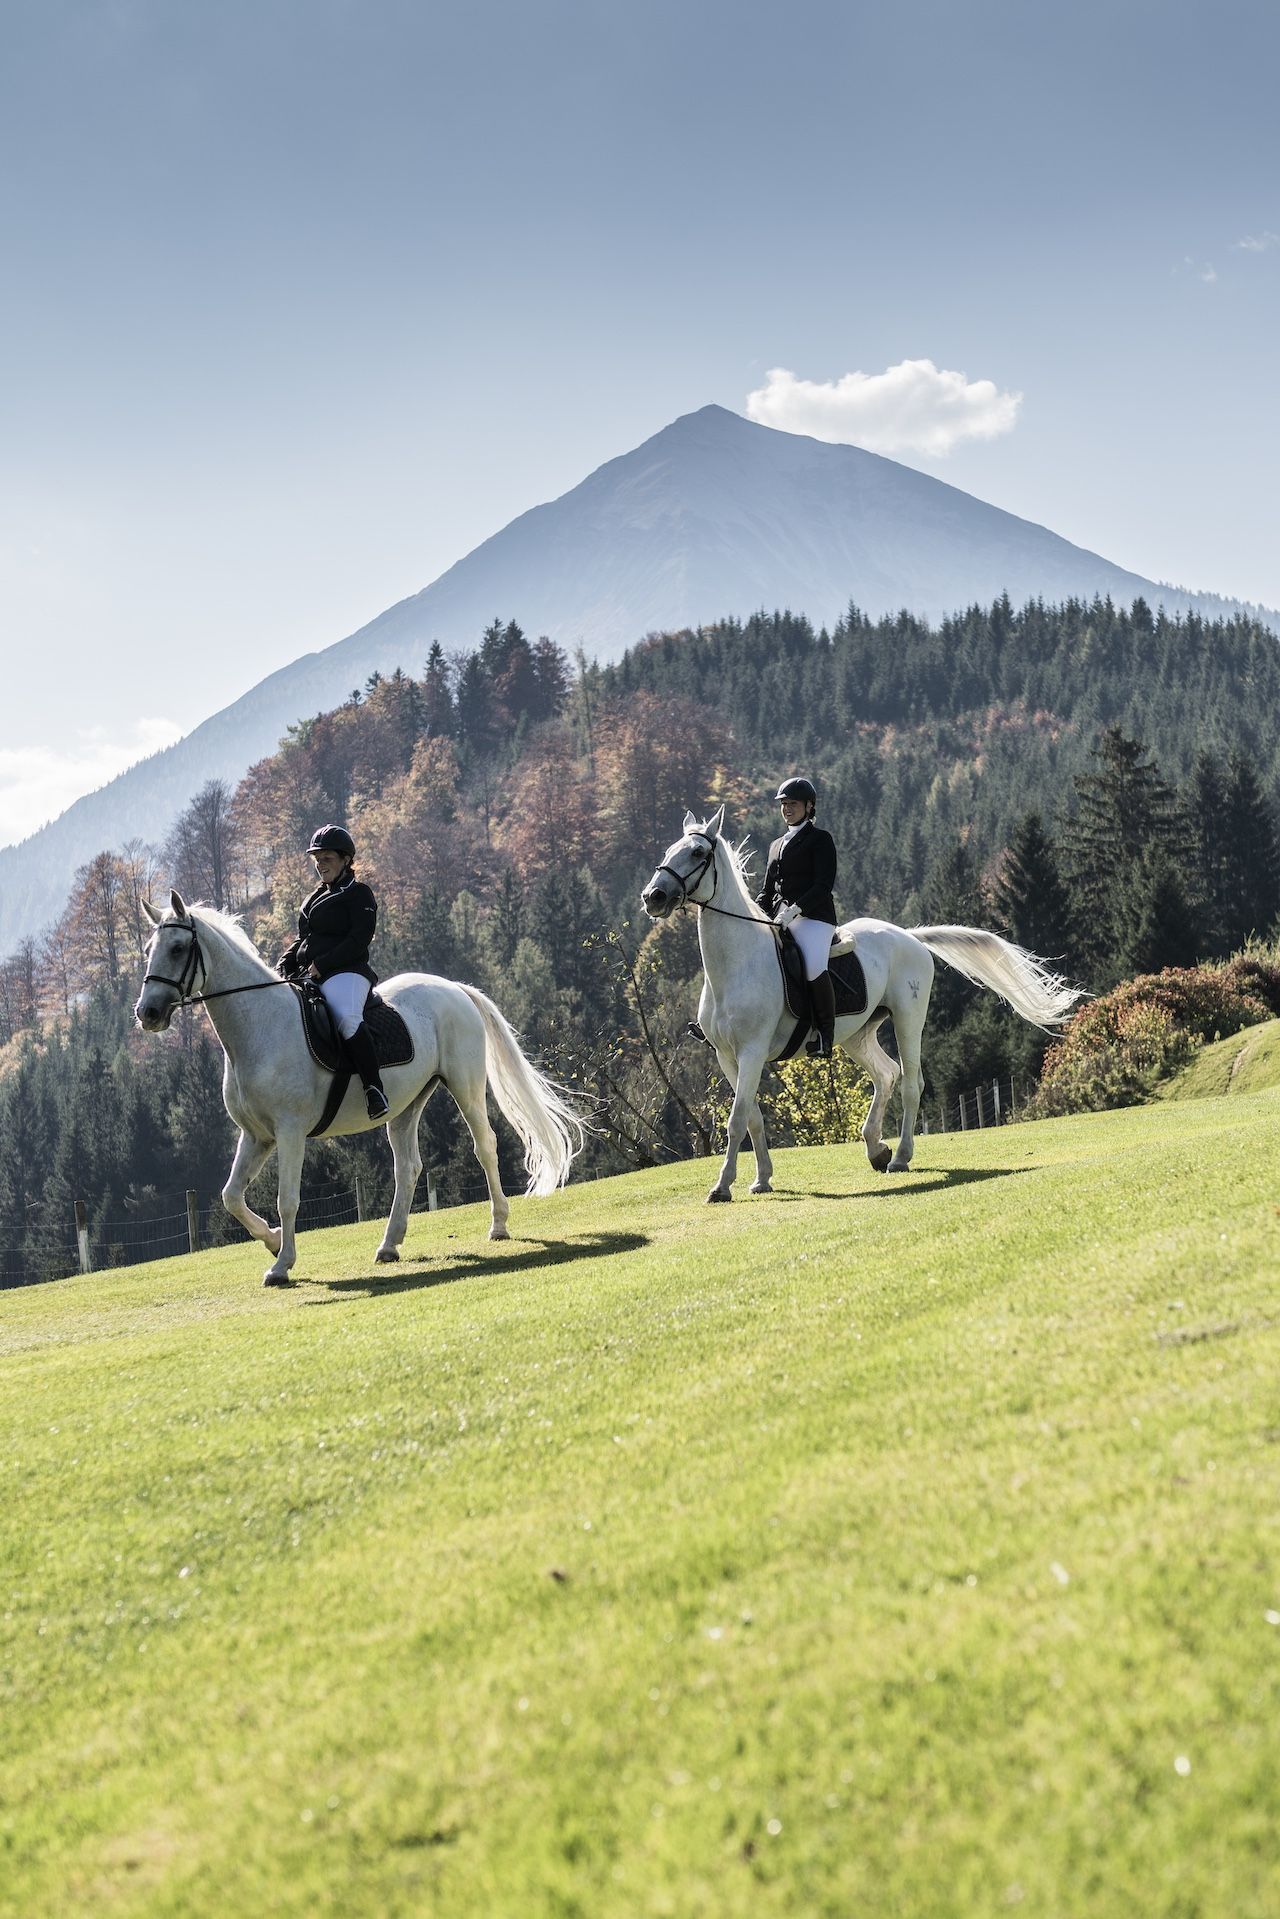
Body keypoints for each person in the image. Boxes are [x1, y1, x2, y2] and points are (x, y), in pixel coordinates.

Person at [277, 825, 390, 1120]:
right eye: (317, 859)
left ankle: (373, 1089)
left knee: (347, 1017)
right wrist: (283, 964)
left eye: (327, 858)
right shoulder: (313, 898)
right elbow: (303, 940)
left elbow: (359, 939)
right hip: (311, 973)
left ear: (345, 860)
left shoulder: (359, 894)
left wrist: (324, 964)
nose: (320, 864)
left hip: (347, 972)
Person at [756, 777, 839, 1056]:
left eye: (792, 803)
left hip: (814, 918)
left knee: (813, 965)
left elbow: (823, 885)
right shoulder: (775, 845)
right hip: (779, 919)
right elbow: (766, 892)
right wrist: (753, 914)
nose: (787, 808)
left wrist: (795, 910)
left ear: (808, 806)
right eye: (783, 804)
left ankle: (826, 1037)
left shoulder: (820, 839)